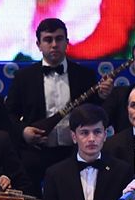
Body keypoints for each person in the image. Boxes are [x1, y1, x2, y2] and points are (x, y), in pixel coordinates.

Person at [6, 18, 113, 189]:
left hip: (75, 154)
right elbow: (8, 115)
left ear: (67, 42)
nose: (54, 44)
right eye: (48, 40)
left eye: (59, 39)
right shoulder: (23, 77)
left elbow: (95, 112)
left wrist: (102, 96)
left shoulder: (85, 75)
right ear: (38, 44)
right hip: (35, 156)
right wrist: (23, 132)